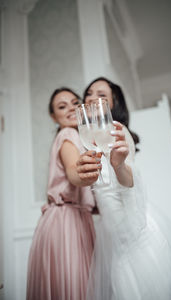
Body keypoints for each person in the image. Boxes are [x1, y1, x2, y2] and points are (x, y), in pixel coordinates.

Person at [83, 77, 171, 300]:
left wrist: (118, 165)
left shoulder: (117, 132)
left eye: (101, 95)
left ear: (113, 104)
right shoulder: (87, 138)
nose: (92, 98)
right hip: (113, 241)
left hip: (136, 239)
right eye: (89, 93)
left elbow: (129, 182)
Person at [26, 87, 100, 300]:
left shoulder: (79, 138)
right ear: (53, 116)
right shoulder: (68, 134)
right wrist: (86, 174)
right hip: (67, 222)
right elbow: (73, 172)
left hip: (67, 219)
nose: (70, 109)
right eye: (61, 106)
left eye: (75, 103)